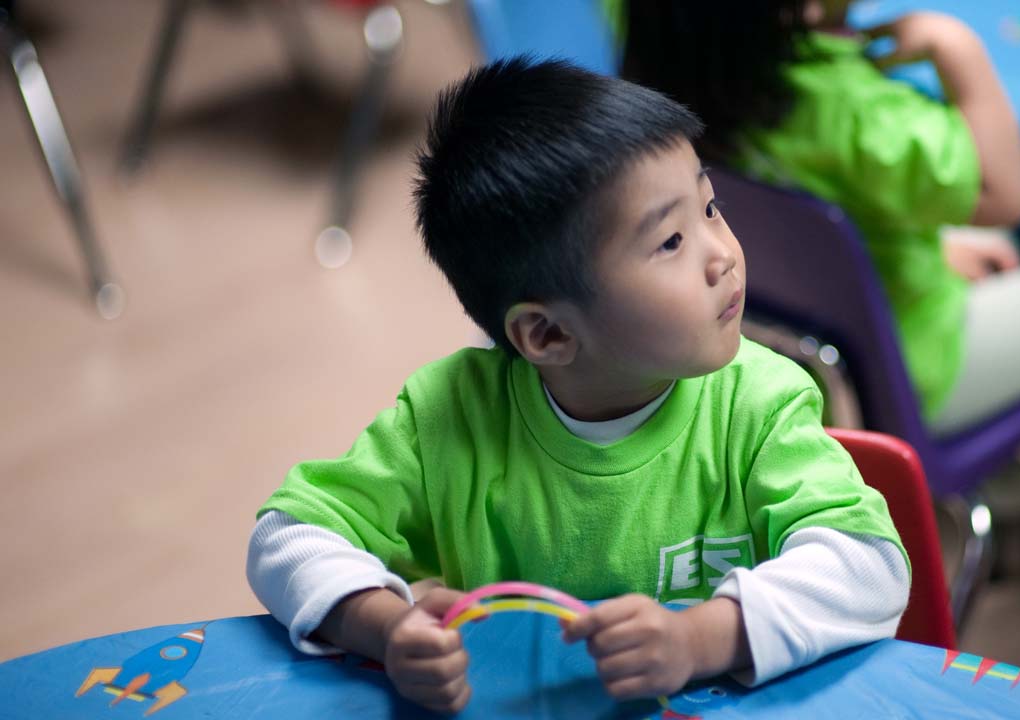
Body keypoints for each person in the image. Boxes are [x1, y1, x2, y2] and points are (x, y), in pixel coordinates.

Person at [246, 57, 910, 714]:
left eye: (710, 206)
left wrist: (701, 638)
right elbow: (287, 535)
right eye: (671, 241)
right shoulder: (449, 419)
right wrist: (388, 627)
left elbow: (871, 565)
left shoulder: (759, 404)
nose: (722, 255)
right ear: (548, 334)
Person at [621, 0, 1020, 472]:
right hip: (910, 370)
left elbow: (839, 200)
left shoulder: (665, 94)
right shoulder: (848, 111)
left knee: (975, 228)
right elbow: (1004, 191)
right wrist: (956, 50)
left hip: (801, 343)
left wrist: (934, 246)